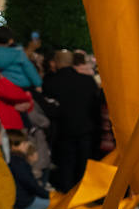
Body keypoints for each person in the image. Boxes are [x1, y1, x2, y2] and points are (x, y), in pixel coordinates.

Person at [41, 49, 102, 191]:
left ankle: (67, 194)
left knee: (65, 165)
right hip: (87, 128)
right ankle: (82, 192)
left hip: (63, 131)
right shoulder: (87, 81)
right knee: (83, 163)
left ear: (56, 63)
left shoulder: (51, 83)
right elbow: (95, 105)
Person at [0, 27, 43, 91]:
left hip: (3, 85)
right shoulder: (17, 53)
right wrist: (38, 84)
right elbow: (29, 68)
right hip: (21, 85)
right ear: (10, 41)